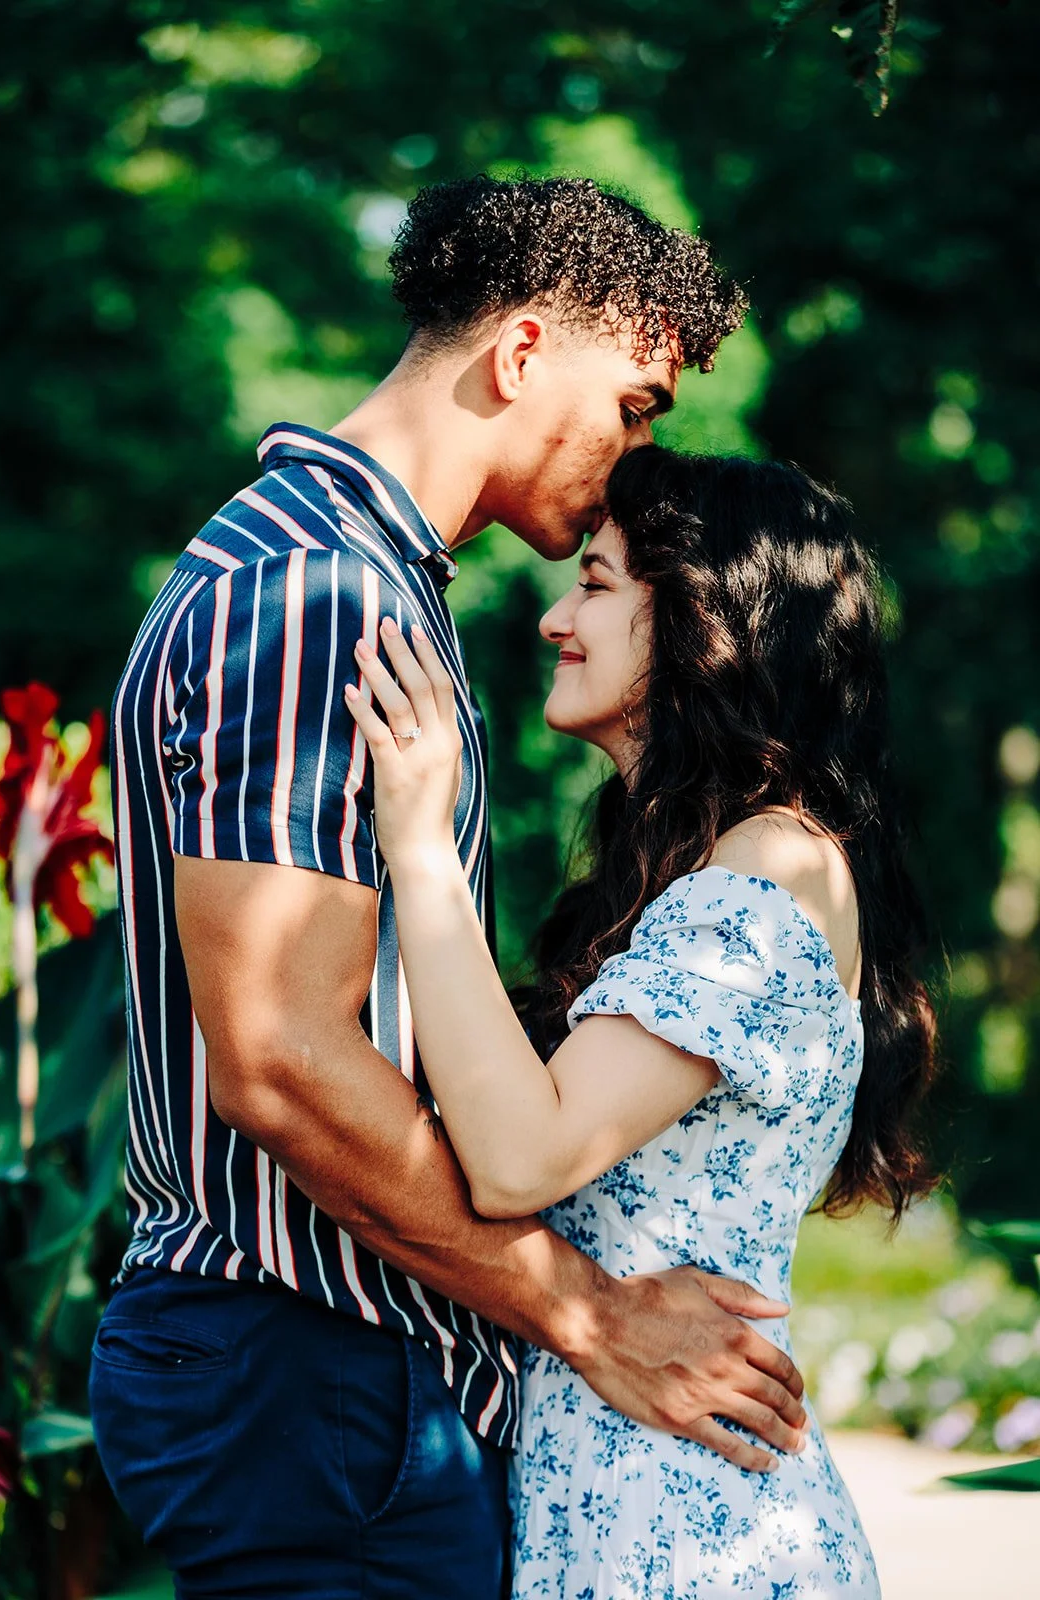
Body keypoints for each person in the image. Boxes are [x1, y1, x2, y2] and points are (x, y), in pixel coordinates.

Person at [89, 177, 810, 1600]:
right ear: (524, 352)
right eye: (635, 406)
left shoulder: (347, 577)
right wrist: (590, 1318)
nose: (630, 462)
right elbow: (283, 1061)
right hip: (300, 1360)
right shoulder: (313, 593)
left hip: (324, 1372)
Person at [346, 443, 939, 1598]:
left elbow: (520, 1155)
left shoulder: (767, 873)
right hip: (632, 1497)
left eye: (600, 584)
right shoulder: (700, 869)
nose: (554, 619)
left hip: (690, 1526)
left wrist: (417, 850)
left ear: (706, 619)